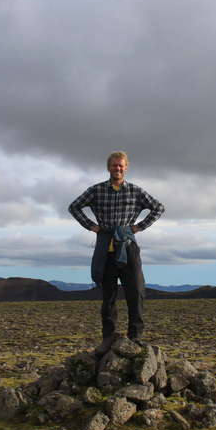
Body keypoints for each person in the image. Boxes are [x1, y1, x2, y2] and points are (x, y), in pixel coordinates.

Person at [69, 151, 164, 354]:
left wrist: (138, 227)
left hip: (128, 245)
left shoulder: (135, 191)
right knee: (108, 295)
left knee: (136, 291)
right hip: (105, 246)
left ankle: (135, 337)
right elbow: (74, 207)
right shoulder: (96, 190)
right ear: (108, 167)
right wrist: (91, 226)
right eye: (114, 165)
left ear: (126, 167)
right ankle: (108, 338)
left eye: (121, 165)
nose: (117, 169)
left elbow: (158, 208)